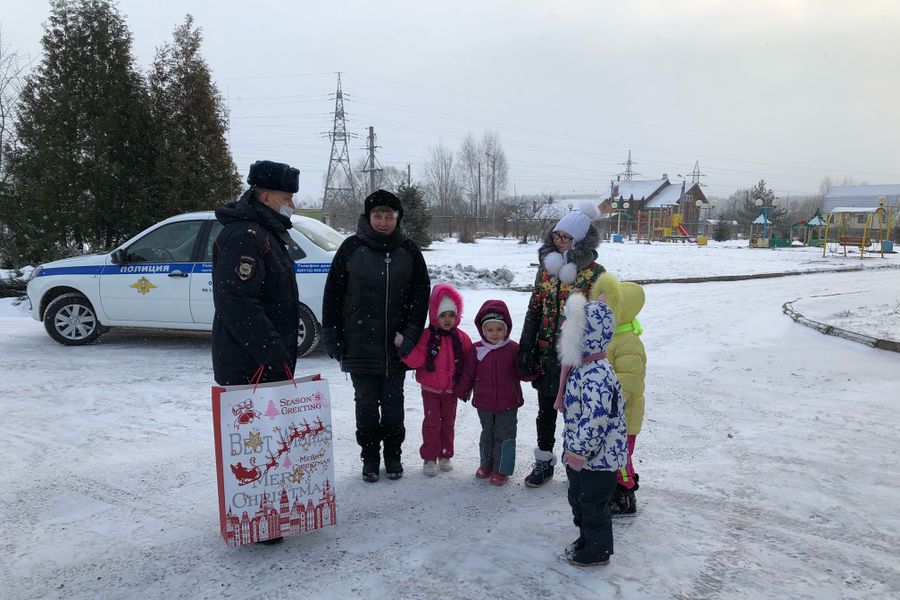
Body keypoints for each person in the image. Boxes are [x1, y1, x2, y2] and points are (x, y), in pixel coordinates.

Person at [212, 159, 300, 545]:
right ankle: (257, 520)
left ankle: (268, 513)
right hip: (249, 361)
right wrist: (272, 351)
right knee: (254, 445)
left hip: (266, 358)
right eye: (287, 197)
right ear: (266, 197)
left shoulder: (267, 232)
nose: (292, 204)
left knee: (269, 442)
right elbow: (236, 302)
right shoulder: (246, 237)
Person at [321, 189, 431, 483]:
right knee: (366, 403)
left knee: (393, 404)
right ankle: (369, 457)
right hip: (358, 344)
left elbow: (420, 297)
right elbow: (333, 295)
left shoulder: (409, 250)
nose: (383, 222)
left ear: (398, 218)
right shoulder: (351, 248)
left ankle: (393, 455)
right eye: (377, 216)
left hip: (396, 346)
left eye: (389, 216)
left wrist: (410, 334)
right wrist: (332, 335)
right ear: (367, 217)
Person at [518, 201, 604, 487]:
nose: (559, 241)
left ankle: (575, 462)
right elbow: (534, 308)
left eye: (566, 237)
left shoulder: (594, 273)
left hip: (578, 357)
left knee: (576, 413)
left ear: (579, 241)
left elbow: (601, 318)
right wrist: (526, 347)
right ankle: (544, 461)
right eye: (557, 235)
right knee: (545, 412)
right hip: (546, 353)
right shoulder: (546, 270)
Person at [554, 292, 628, 567]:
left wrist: (578, 450)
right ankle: (586, 539)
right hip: (582, 456)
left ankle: (598, 551)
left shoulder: (596, 374)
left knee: (593, 504)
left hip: (598, 458)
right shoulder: (583, 368)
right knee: (579, 499)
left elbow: (595, 419)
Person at [455, 299, 534, 486]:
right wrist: (462, 390)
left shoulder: (513, 349)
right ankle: (487, 464)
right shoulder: (476, 350)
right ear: (482, 330)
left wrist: (531, 370)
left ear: (506, 329)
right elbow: (468, 373)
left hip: (508, 402)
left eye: (499, 329)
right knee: (487, 434)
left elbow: (522, 372)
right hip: (484, 403)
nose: (494, 334)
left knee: (505, 436)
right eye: (490, 330)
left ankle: (502, 470)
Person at [401, 283, 471, 476]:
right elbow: (417, 359)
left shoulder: (462, 338)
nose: (447, 320)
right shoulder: (427, 336)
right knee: (432, 424)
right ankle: (430, 457)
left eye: (451, 315)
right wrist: (404, 350)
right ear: (434, 315)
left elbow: (469, 362)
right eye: (443, 315)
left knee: (448, 424)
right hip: (430, 390)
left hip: (451, 391)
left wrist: (467, 385)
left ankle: (445, 454)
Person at [591, 273, 647, 516]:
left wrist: (609, 402)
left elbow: (630, 380)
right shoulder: (607, 337)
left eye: (607, 308)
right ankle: (613, 487)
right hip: (608, 412)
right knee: (609, 453)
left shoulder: (628, 343)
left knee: (620, 456)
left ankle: (625, 495)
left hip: (623, 414)